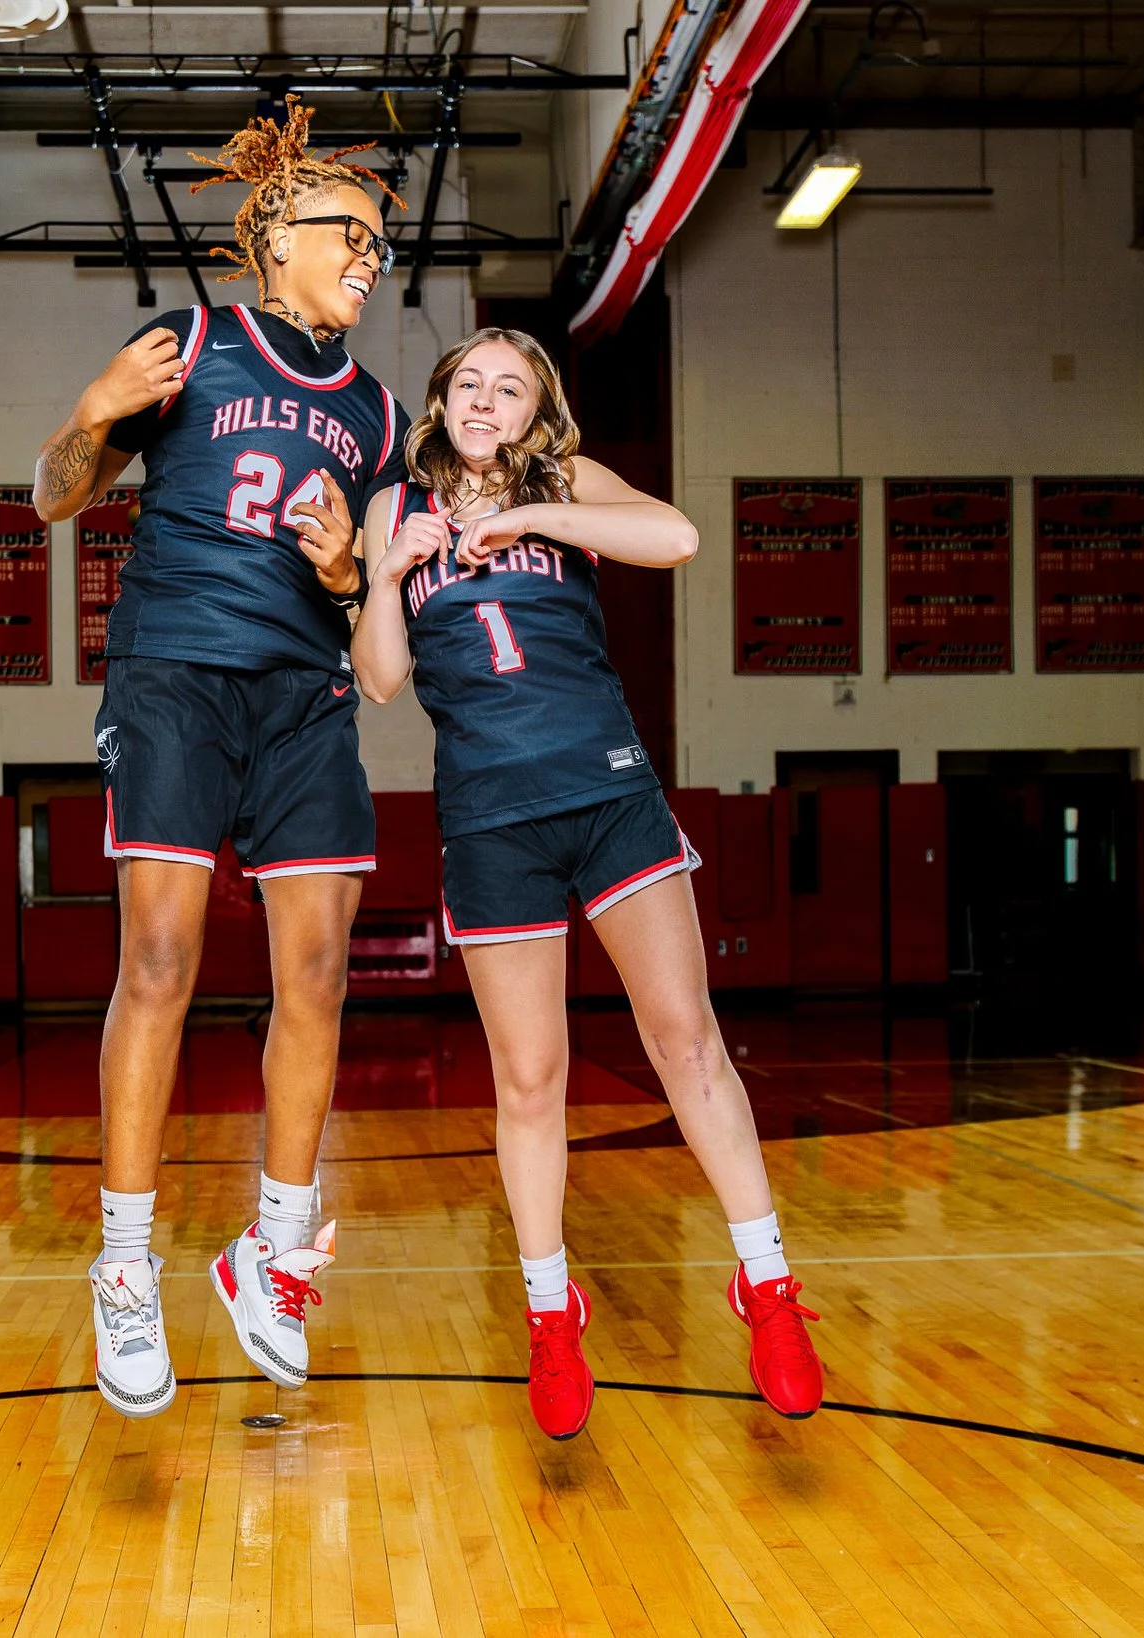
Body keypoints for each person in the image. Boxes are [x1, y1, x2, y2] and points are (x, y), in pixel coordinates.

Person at [348, 328, 826, 1439]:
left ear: (532, 414)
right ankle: (549, 1313)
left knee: (684, 1039)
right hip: (489, 819)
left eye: (508, 387)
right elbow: (377, 681)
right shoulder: (391, 506)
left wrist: (528, 517)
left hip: (606, 793)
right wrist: (386, 573)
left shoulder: (567, 484)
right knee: (529, 1080)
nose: (484, 397)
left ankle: (765, 1288)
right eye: (468, 380)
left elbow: (678, 535)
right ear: (441, 398)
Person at [31, 97, 411, 1419]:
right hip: (176, 678)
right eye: (351, 233)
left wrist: (349, 567)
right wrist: (93, 407)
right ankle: (125, 1269)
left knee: (315, 971)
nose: (371, 257)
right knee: (162, 962)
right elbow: (54, 492)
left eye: (379, 243)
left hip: (305, 694)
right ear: (275, 238)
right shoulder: (190, 343)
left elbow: (374, 590)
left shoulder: (373, 407)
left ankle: (274, 1247)